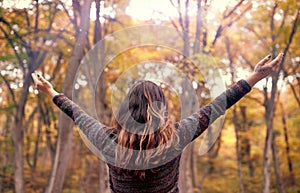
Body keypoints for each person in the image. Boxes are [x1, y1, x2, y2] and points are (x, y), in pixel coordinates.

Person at [32, 53, 283, 193]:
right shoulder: (177, 136)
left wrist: (50, 91)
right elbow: (219, 104)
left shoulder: (106, 141)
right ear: (161, 110)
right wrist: (255, 76)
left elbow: (77, 114)